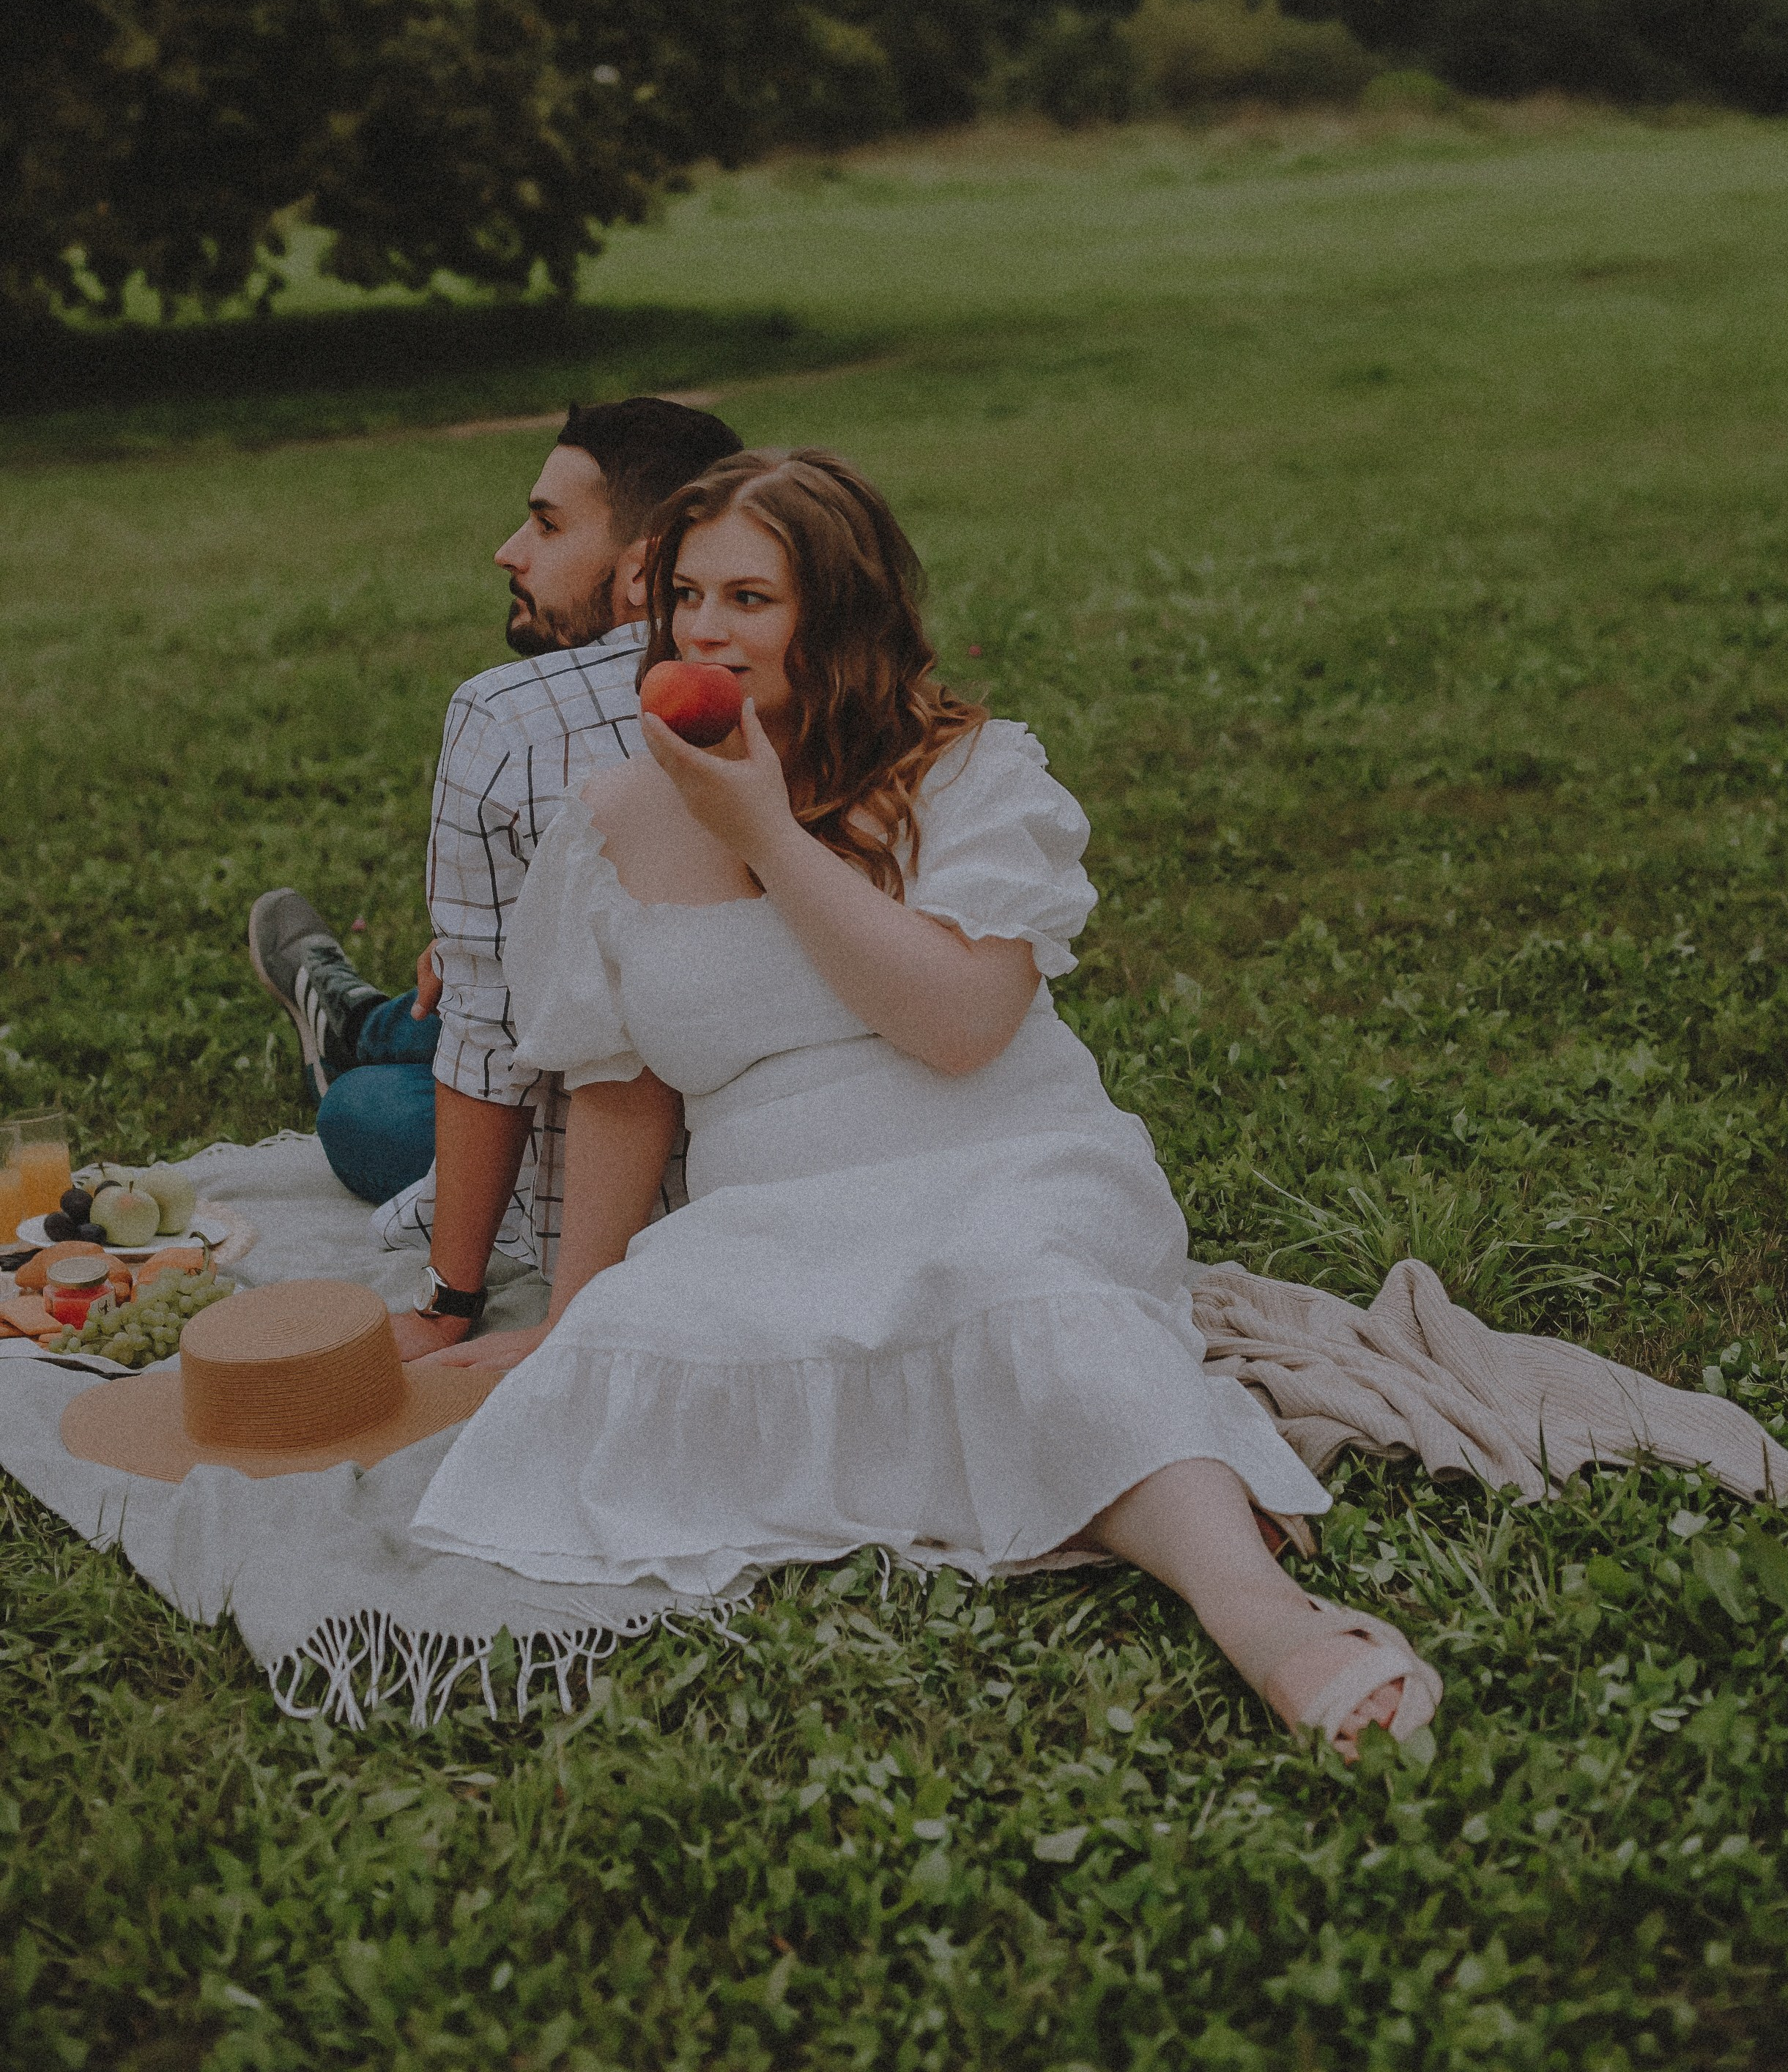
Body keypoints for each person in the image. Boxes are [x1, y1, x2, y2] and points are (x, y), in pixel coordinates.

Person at [410, 449, 1440, 1758]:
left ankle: (1267, 1619)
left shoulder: (971, 776)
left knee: (1033, 1308)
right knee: (627, 1383)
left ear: (837, 615)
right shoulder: (614, 817)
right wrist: (571, 1309)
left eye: (751, 599)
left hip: (1003, 1156)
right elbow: (623, 1095)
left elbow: (960, 1028)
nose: (706, 631)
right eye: (685, 596)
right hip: (774, 1206)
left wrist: (769, 831)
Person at [247, 396, 743, 1358]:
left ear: (647, 569)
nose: (508, 550)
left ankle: (352, 1026)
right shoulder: (815, 680)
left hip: (615, 1190)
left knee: (364, 1110)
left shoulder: (508, 717)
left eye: (549, 524)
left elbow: (489, 1047)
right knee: (469, 969)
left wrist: (448, 1299)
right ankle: (359, 1015)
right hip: (718, 1122)